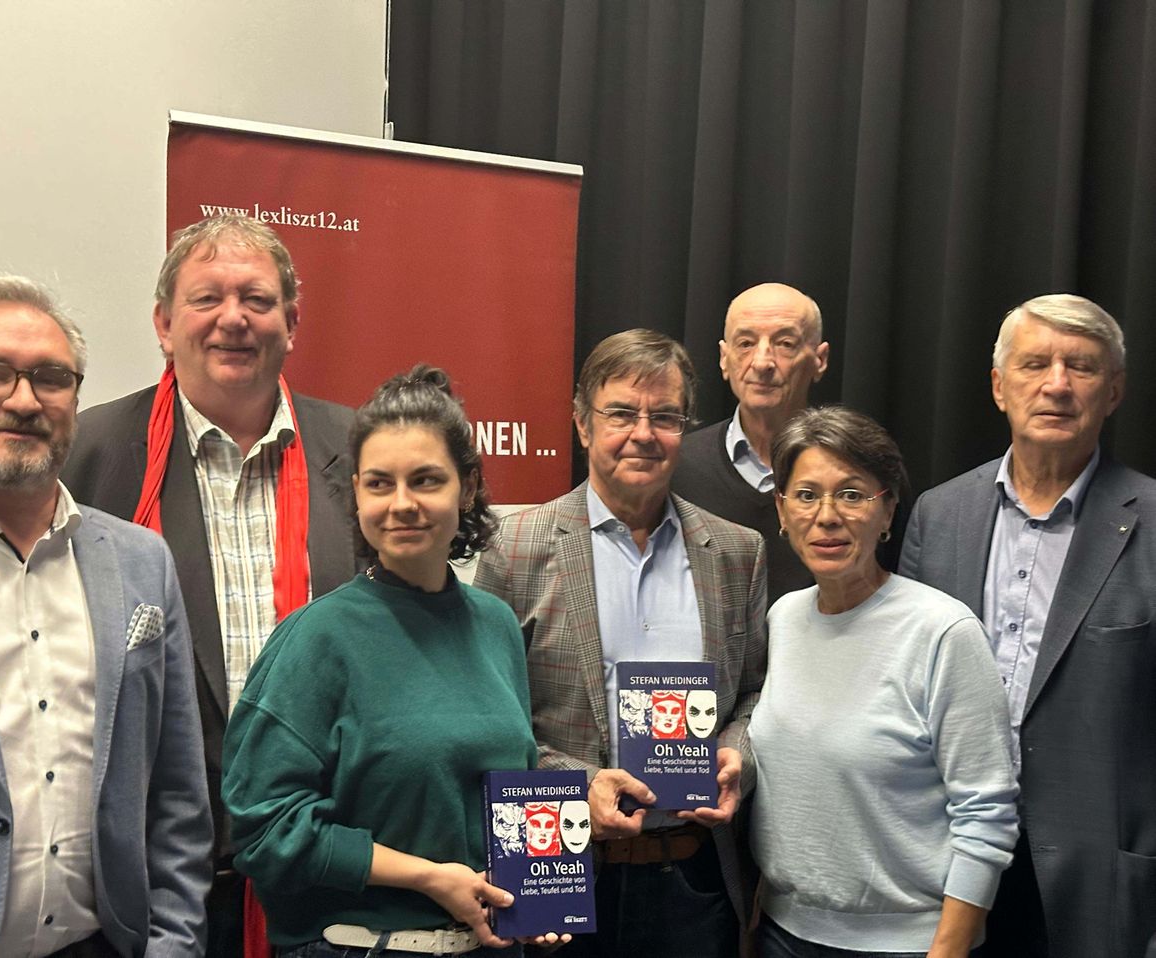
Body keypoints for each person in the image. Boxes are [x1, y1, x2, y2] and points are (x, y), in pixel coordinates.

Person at [0, 275, 211, 955]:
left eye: (51, 378)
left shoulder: (141, 561)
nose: (25, 400)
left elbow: (178, 795)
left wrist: (173, 942)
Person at [61, 213, 359, 953]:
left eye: (257, 300)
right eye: (207, 299)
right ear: (164, 324)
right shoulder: (88, 454)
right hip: (156, 880)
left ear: (292, 323)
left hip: (330, 864)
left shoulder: (361, 453)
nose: (234, 318)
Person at [222, 365, 563, 957]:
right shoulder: (315, 639)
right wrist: (427, 876)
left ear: (468, 488)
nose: (402, 504)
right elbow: (263, 829)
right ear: (357, 492)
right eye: (380, 484)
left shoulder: (497, 625)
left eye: (426, 480)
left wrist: (539, 903)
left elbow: (514, 796)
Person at [474, 329, 768, 958]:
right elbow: (488, 716)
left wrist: (736, 751)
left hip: (694, 880)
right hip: (557, 871)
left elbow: (753, 691)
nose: (644, 433)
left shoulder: (737, 552)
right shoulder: (514, 547)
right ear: (583, 424)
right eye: (621, 413)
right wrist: (579, 783)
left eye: (665, 416)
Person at [899, 294, 1156, 957]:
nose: (1057, 385)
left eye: (1081, 367)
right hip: (945, 855)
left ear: (1115, 391)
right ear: (998, 386)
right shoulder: (938, 515)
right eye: (1035, 364)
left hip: (1097, 876)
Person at [751, 405, 1018, 958]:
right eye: (806, 495)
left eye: (852, 495)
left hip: (909, 945)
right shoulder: (782, 619)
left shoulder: (943, 632)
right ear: (781, 510)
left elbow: (987, 813)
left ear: (888, 510)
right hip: (784, 933)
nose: (827, 516)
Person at [671, 282, 829, 606]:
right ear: (723, 359)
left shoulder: (855, 472)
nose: (761, 362)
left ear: (819, 359)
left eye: (785, 344)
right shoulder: (675, 467)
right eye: (745, 343)